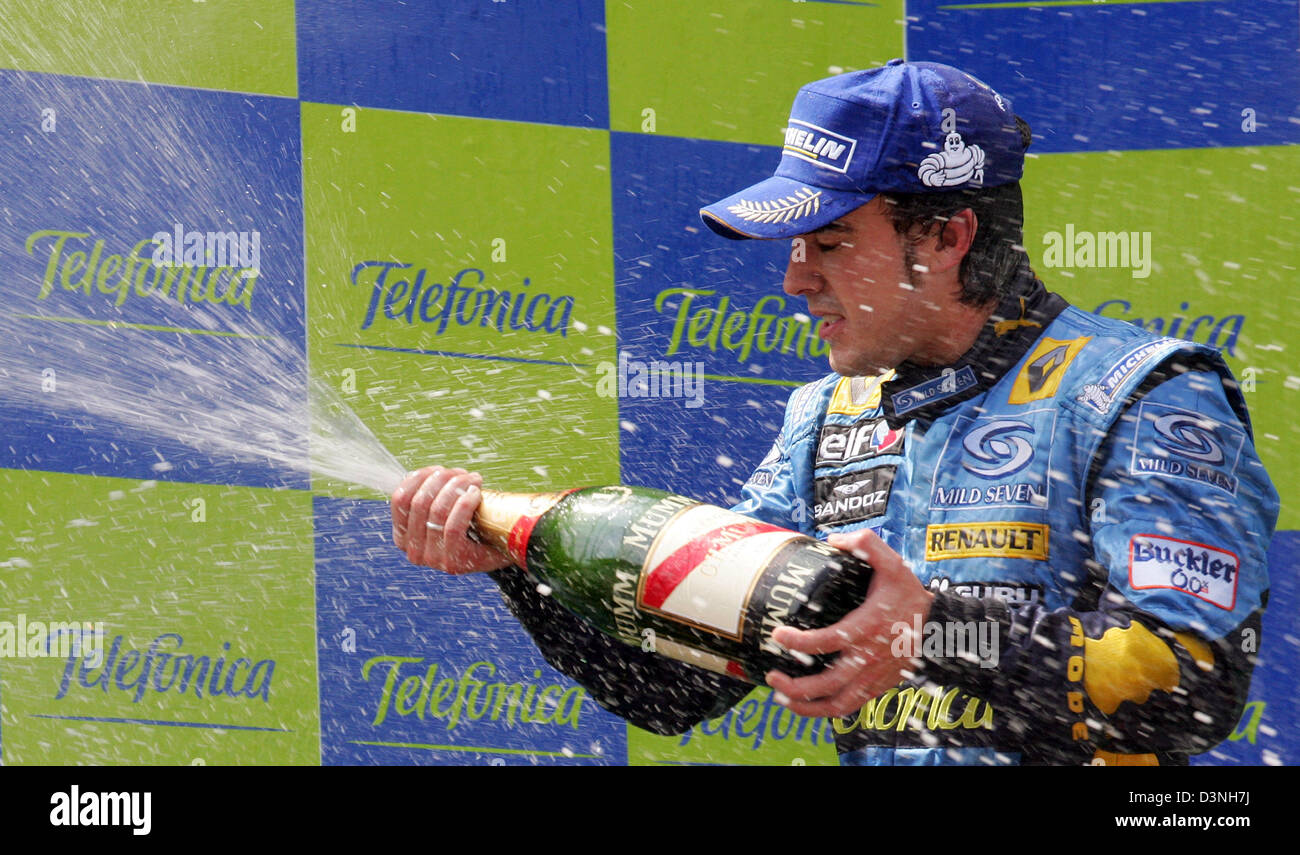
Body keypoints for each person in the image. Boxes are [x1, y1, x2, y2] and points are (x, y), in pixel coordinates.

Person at [391, 60, 1278, 765]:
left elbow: (1194, 683)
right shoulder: (829, 415)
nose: (795, 277)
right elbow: (679, 692)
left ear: (944, 236)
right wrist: (517, 565)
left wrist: (929, 629)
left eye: (831, 241)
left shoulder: (1138, 391)